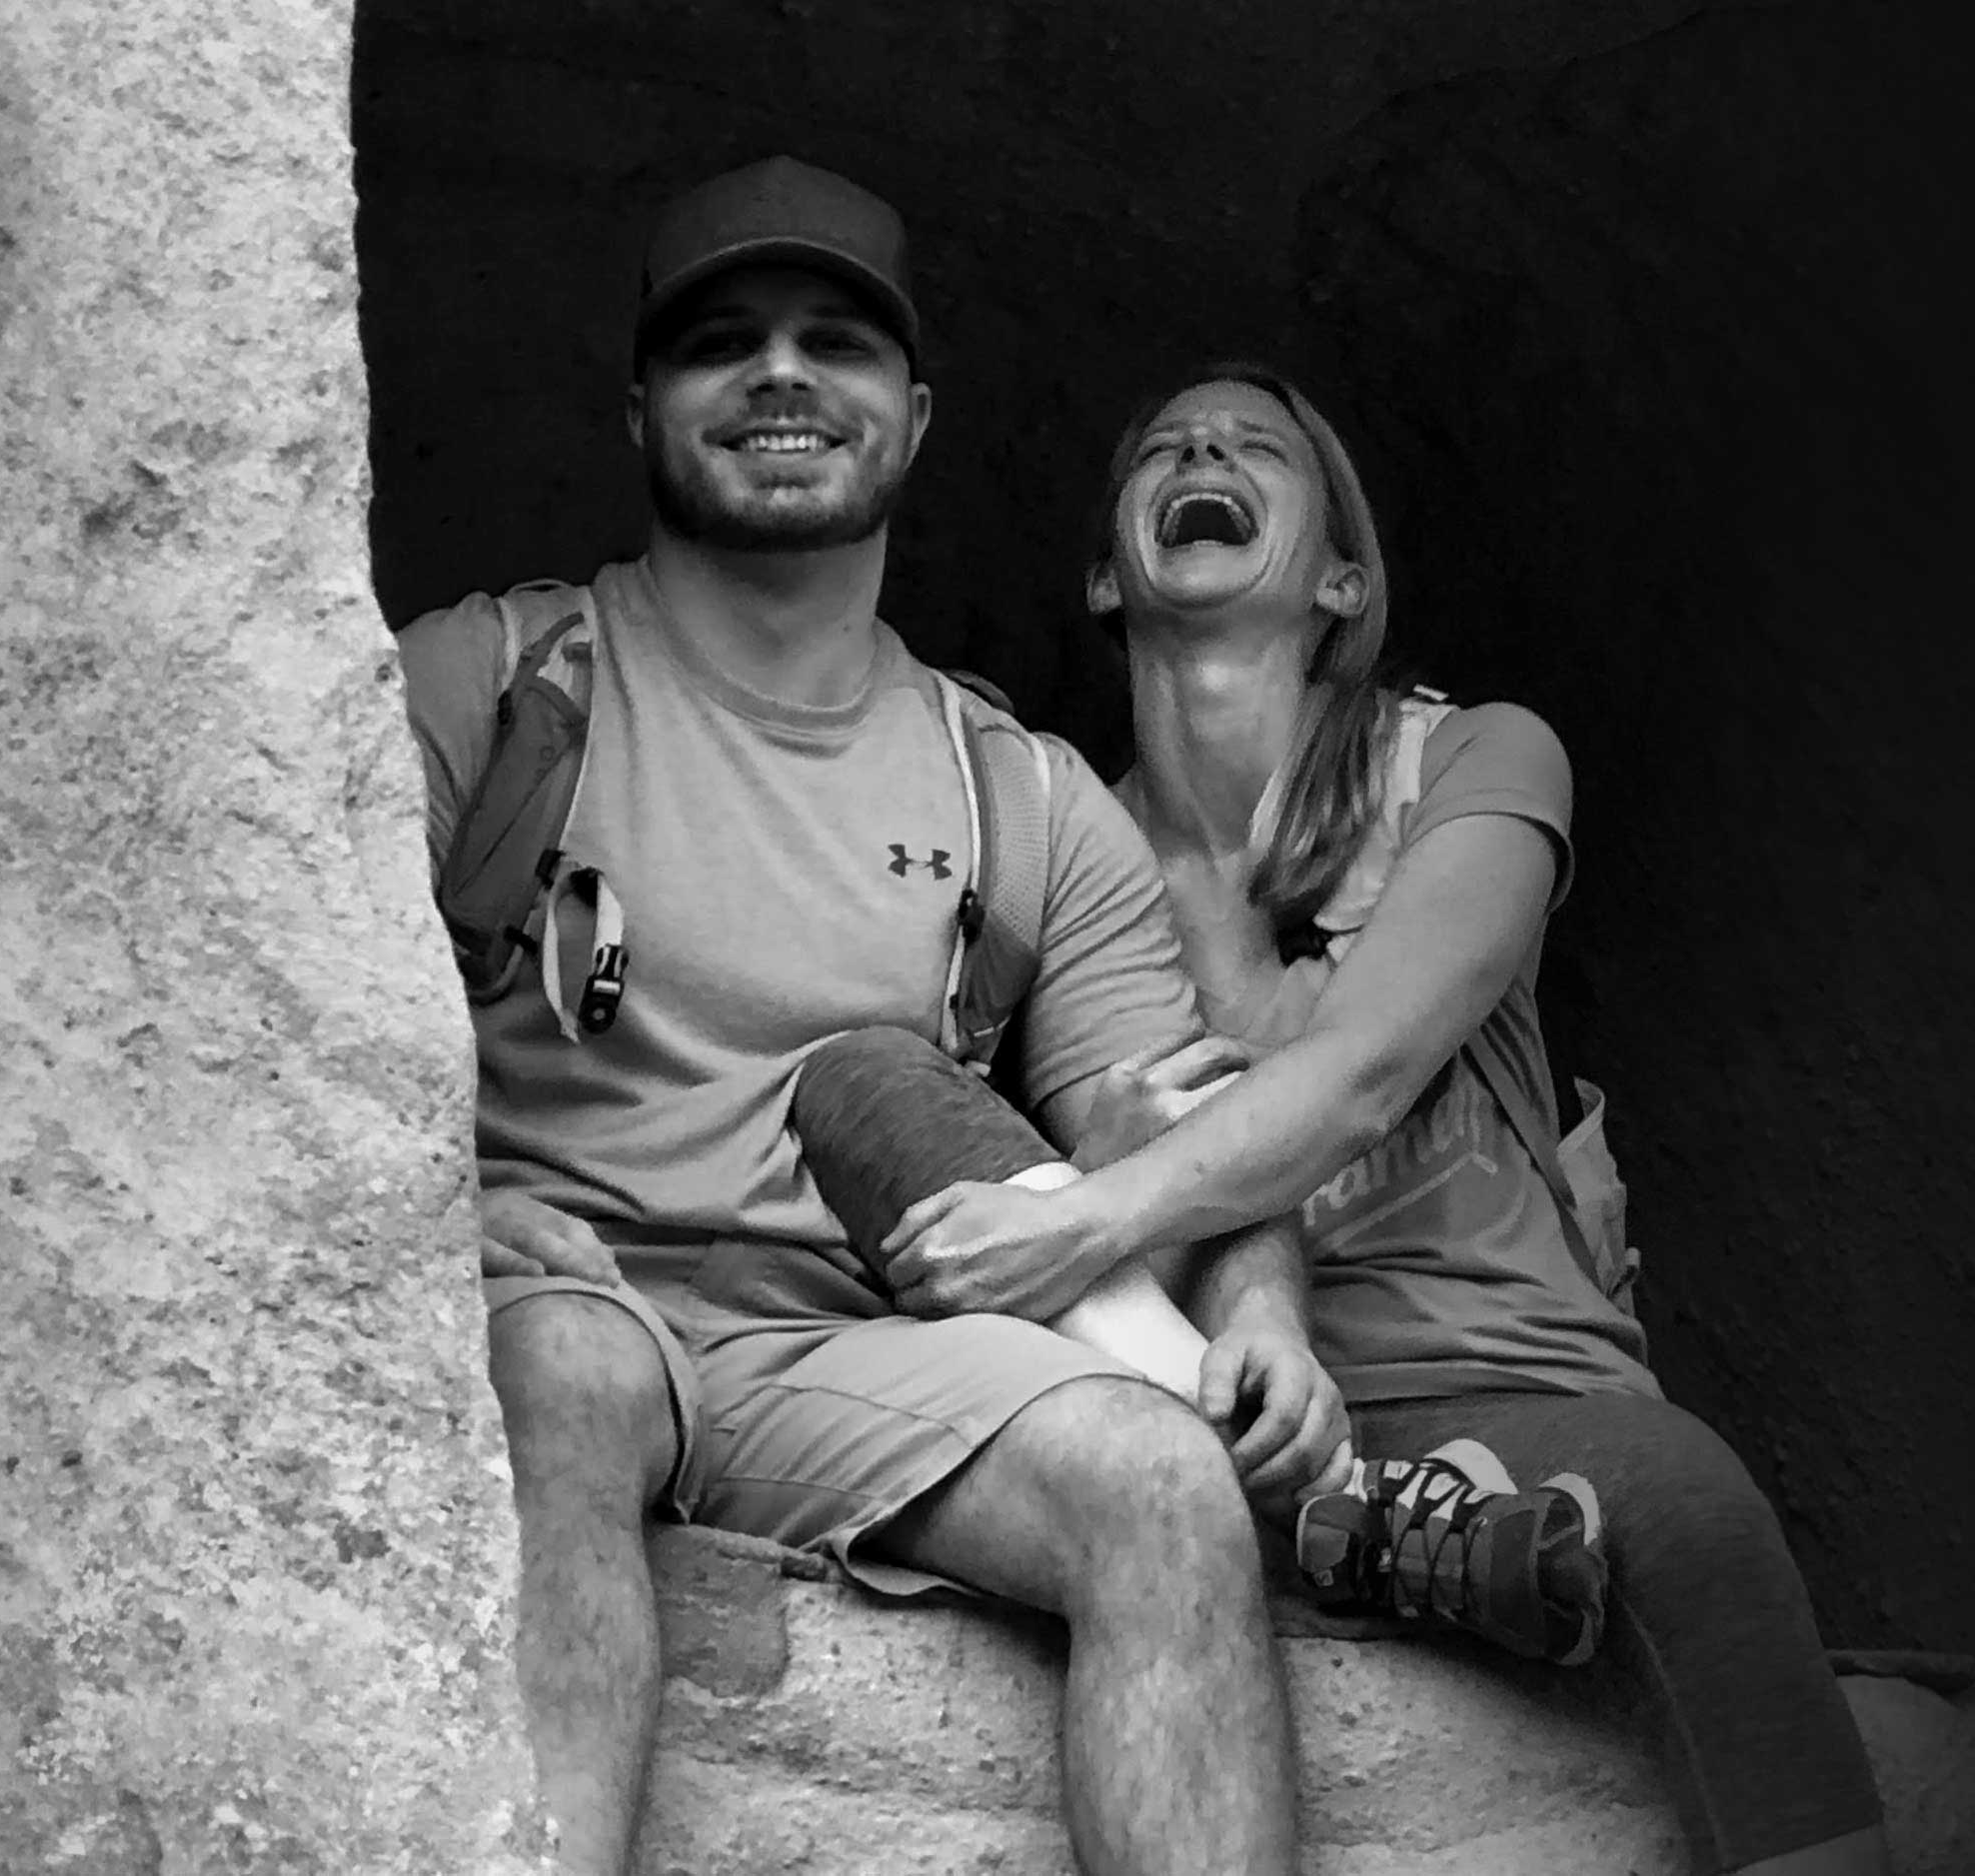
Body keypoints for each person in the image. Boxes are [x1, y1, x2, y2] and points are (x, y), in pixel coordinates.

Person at [400, 158, 1338, 1876]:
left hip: (858, 1350)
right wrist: (428, 1218)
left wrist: (1266, 1314)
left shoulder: (1022, 796)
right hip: (555, 1302)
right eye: (720, 345)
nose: (780, 379)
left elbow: (1185, 1138)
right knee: (558, 1367)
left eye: (834, 343)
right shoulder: (494, 681)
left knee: (1157, 1479)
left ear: (910, 418)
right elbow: (267, 1030)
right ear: (636, 408)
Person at [881, 366, 1893, 1876]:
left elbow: (1359, 1071)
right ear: (1108, 568)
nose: (1205, 450)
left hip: (1503, 1387)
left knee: (1690, 1504)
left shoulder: (1477, 759)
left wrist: (1095, 1204)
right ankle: (1353, 1524)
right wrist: (1083, 1176)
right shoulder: (1049, 846)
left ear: (1342, 577)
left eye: (1256, 448)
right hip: (1198, 1396)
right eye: (1165, 446)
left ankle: (1372, 1524)